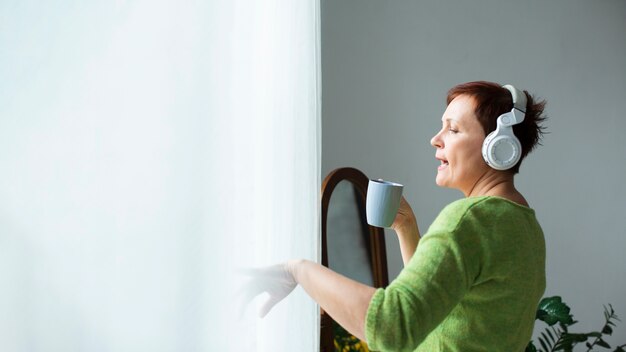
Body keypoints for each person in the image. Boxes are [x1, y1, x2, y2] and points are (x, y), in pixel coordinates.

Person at [242, 81, 548, 351]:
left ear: (499, 148)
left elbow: (393, 329)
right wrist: (406, 227)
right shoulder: (523, 223)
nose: (436, 139)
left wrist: (297, 270)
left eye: (453, 129)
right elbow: (441, 310)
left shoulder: (469, 219)